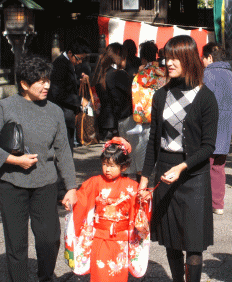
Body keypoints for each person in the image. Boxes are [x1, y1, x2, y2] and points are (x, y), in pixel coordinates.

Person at [138, 35, 218, 282]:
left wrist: (183, 166)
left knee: (193, 244)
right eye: (166, 57)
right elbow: (153, 140)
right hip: (164, 172)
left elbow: (208, 147)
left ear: (188, 59)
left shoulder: (206, 97)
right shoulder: (160, 95)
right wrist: (143, 180)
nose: (168, 63)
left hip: (193, 176)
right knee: (171, 241)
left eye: (175, 58)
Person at [0, 56, 77, 281]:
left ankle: (46, 277)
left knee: (49, 239)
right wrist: (16, 161)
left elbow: (63, 149)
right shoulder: (5, 107)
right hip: (11, 183)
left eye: (48, 80)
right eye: (40, 82)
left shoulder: (54, 111)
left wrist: (71, 186)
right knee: (16, 243)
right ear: (24, 84)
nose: (47, 86)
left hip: (45, 183)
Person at [66, 137, 149, 282]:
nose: (107, 169)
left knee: (118, 274)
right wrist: (72, 200)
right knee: (100, 273)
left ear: (123, 167)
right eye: (104, 164)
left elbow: (140, 208)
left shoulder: (132, 186)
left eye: (112, 165)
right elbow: (82, 200)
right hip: (100, 236)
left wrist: (144, 200)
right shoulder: (95, 182)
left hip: (121, 239)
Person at [119, 41, 166, 182]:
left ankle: (141, 185)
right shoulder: (163, 73)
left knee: (141, 156)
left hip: (143, 119)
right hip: (161, 116)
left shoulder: (140, 74)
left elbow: (136, 95)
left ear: (143, 58)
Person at [202, 42, 232, 215]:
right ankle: (218, 204)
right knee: (219, 166)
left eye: (203, 58)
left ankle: (204, 202)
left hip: (209, 125)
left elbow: (203, 102)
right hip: (226, 125)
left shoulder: (207, 74)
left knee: (204, 164)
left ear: (209, 57)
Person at [48, 37, 91, 152]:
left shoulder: (67, 63)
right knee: (65, 150)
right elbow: (58, 92)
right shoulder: (60, 64)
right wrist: (80, 100)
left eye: (82, 59)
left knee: (68, 147)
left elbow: (67, 84)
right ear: (70, 53)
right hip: (62, 114)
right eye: (78, 58)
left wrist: (78, 81)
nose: (80, 62)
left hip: (67, 114)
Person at [92, 43, 132, 141]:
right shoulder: (119, 74)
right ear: (120, 57)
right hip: (117, 123)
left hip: (104, 122)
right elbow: (130, 96)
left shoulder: (101, 73)